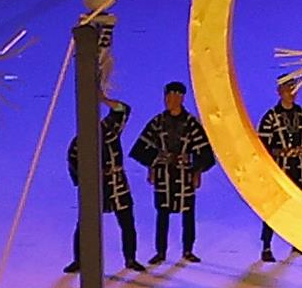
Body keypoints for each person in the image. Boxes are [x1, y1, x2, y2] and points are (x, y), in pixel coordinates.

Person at [133, 85, 213, 267]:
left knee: (188, 213)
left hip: (185, 176)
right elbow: (142, 148)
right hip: (164, 176)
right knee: (162, 214)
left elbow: (205, 152)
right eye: (167, 97)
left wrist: (195, 168)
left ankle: (188, 249)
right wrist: (153, 164)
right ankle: (160, 252)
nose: (169, 101)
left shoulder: (192, 124)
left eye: (173, 97)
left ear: (181, 98)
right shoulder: (158, 122)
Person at [255, 77, 302, 259]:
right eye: (287, 89)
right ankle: (267, 246)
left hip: (300, 168)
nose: (291, 93)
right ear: (279, 91)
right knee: (274, 207)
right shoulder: (271, 116)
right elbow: (261, 145)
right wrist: (277, 153)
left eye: (293, 89)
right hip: (280, 169)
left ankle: (299, 243)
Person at [70, 98, 137, 270]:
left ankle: (130, 259)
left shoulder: (109, 130)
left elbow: (123, 109)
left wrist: (101, 97)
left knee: (127, 223)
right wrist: (86, 181)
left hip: (117, 184)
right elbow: (73, 162)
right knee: (84, 224)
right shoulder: (80, 141)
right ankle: (79, 260)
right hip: (95, 187)